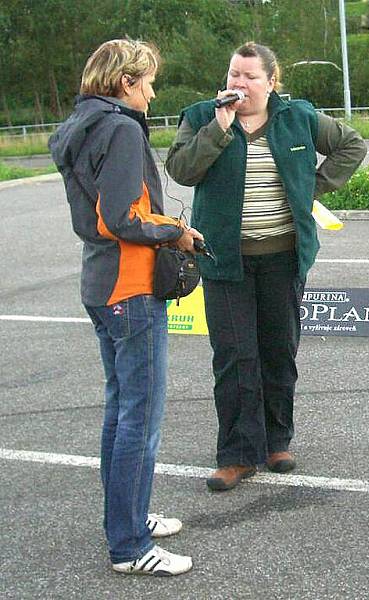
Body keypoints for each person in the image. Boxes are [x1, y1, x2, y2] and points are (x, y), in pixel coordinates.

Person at [166, 42, 367, 492]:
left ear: (271, 82)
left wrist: (310, 185)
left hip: (282, 258)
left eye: (250, 76)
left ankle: (277, 441)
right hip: (224, 262)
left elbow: (352, 145)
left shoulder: (297, 117)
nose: (238, 83)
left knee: (278, 351)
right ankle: (236, 454)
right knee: (235, 357)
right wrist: (218, 129)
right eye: (234, 74)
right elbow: (181, 169)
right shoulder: (201, 116)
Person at [49, 39, 203, 575]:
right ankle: (130, 545)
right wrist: (177, 232)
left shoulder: (80, 124)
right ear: (125, 83)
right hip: (130, 287)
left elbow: (96, 218)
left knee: (121, 412)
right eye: (149, 81)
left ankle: (127, 519)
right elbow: (121, 216)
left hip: (101, 283)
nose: (153, 91)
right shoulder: (119, 128)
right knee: (140, 418)